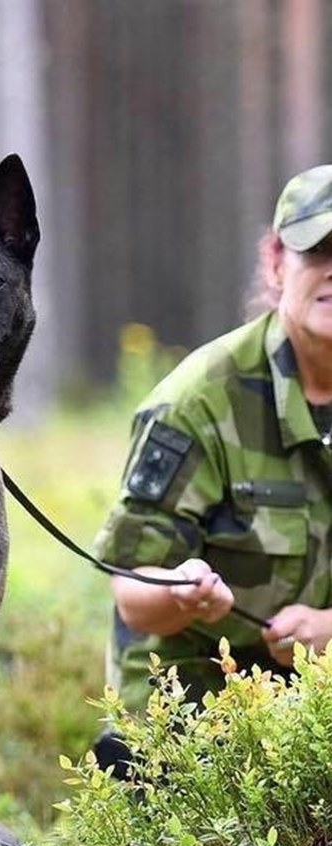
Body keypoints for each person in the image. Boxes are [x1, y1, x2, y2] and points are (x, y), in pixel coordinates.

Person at [93, 164, 332, 774]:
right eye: (317, 251)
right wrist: (183, 592)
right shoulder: (198, 401)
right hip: (193, 713)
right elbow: (132, 595)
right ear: (277, 265)